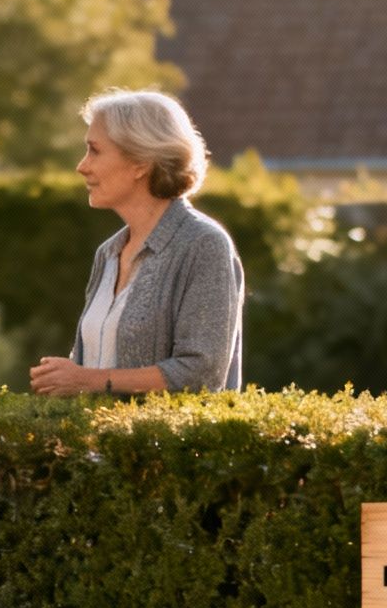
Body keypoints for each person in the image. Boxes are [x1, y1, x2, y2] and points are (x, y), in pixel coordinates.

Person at [30, 90, 243, 395]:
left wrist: (86, 381)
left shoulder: (204, 245)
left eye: (95, 150)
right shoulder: (108, 254)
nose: (82, 166)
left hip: (166, 444)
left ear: (140, 162)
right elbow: (92, 367)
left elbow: (201, 373)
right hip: (96, 444)